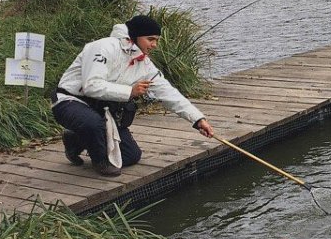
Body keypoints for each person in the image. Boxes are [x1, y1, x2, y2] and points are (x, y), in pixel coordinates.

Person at [51, 14, 213, 176]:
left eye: (157, 40)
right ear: (135, 36)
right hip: (70, 100)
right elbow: (91, 86)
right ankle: (101, 162)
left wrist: (198, 120)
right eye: (150, 39)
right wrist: (130, 92)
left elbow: (169, 94)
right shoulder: (103, 47)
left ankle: (75, 140)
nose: (154, 45)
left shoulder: (145, 64)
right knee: (93, 124)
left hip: (102, 108)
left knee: (131, 156)